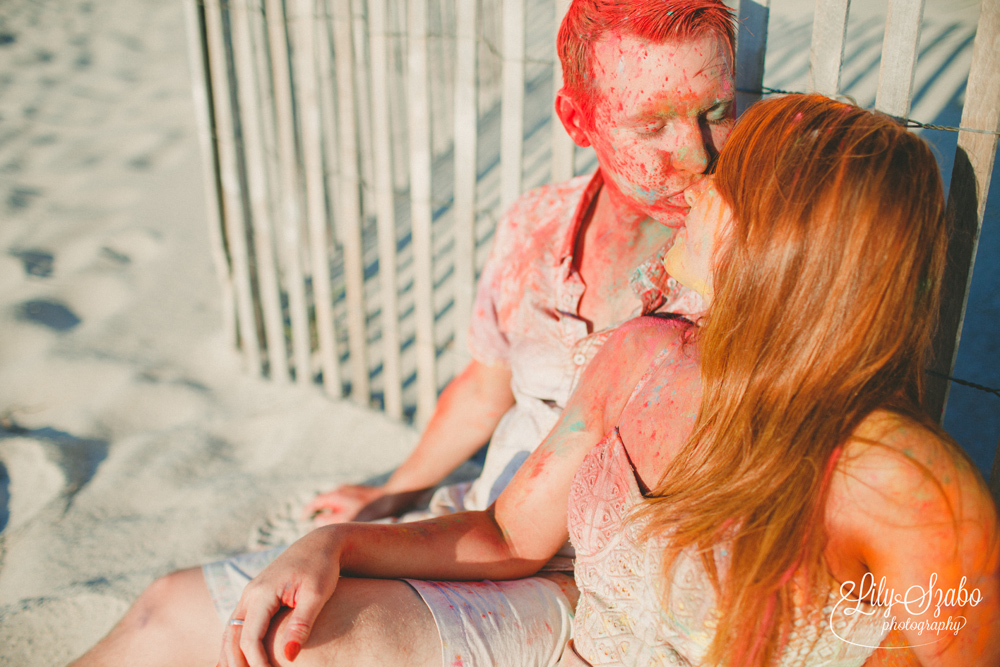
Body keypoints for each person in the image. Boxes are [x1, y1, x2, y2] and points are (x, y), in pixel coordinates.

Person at [217, 95, 1000, 666]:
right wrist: (334, 542)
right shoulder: (646, 355)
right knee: (281, 640)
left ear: (780, 242)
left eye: (724, 179)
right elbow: (508, 535)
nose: (691, 186)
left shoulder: (909, 487)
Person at [70, 2, 737, 666]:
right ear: (576, 119)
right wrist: (394, 489)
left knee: (293, 641)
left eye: (715, 110)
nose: (698, 154)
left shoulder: (745, 259)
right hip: (479, 520)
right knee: (168, 606)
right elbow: (484, 387)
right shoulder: (538, 226)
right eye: (652, 124)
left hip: (576, 585)